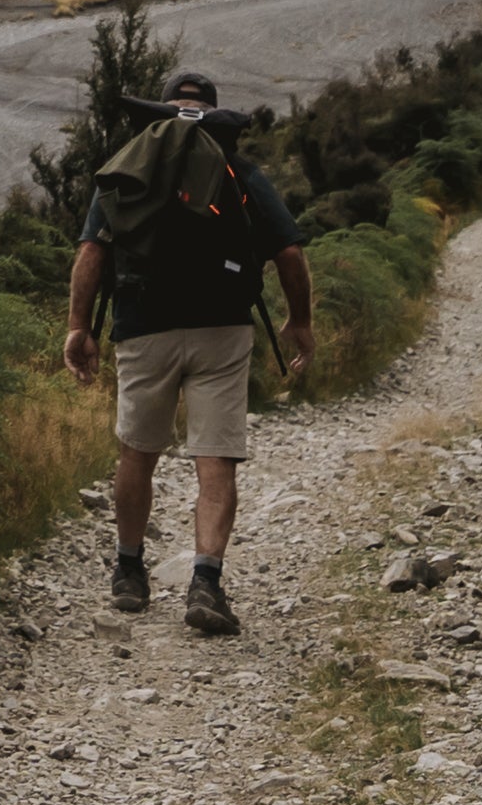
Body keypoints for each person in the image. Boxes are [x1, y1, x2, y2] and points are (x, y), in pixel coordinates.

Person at [64, 66, 316, 637]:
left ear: (164, 108)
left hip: (142, 325)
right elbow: (291, 254)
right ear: (215, 114)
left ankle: (129, 572)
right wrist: (299, 322)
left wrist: (80, 328)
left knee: (137, 451)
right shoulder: (239, 171)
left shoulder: (133, 165)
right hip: (222, 330)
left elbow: (91, 254)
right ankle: (205, 581)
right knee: (216, 459)